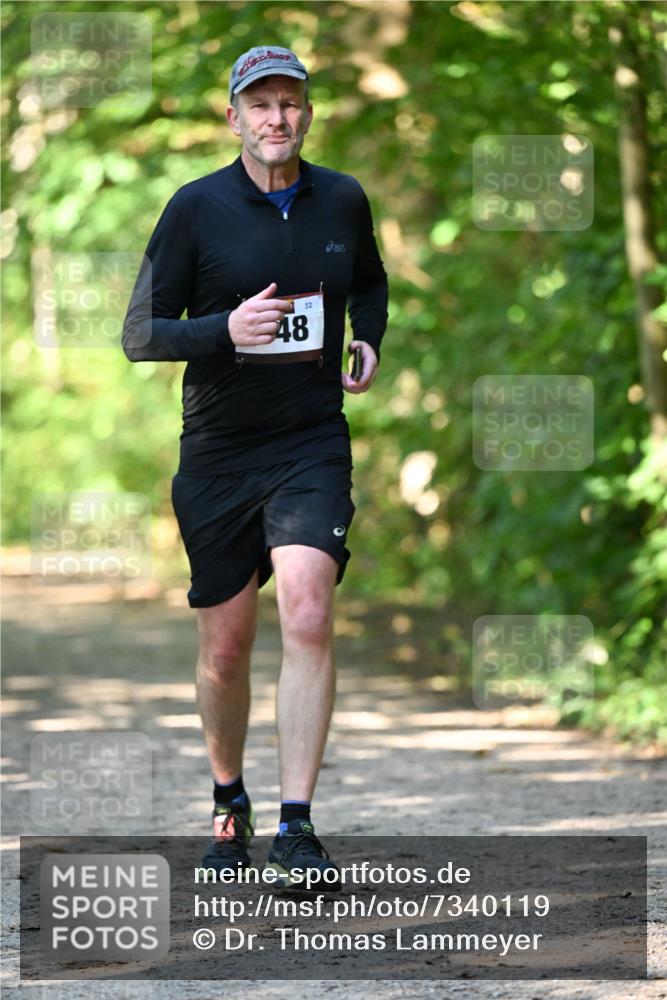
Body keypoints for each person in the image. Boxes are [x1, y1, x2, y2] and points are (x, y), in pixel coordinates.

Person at [122, 45, 388, 889]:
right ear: (232, 116)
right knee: (227, 651)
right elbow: (141, 333)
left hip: (310, 439)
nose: (277, 118)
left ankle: (297, 827)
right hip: (218, 453)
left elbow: (371, 284)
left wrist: (368, 335)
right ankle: (228, 802)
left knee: (308, 611)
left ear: (308, 114)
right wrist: (220, 332)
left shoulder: (341, 198)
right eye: (260, 104)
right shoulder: (194, 209)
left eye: (291, 103)